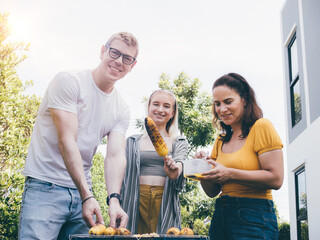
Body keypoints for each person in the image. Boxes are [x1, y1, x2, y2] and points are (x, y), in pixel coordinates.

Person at [18, 32, 139, 240]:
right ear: (103, 51)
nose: (119, 61)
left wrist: (114, 200)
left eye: (126, 58)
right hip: (45, 187)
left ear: (132, 65)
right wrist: (87, 195)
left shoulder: (121, 108)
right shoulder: (68, 82)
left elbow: (115, 156)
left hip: (83, 193)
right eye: (114, 52)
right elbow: (67, 141)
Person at [195, 73, 284, 240]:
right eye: (217, 104)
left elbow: (276, 179)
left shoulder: (261, 126)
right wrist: (202, 170)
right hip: (221, 215)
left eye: (228, 102)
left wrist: (230, 173)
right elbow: (212, 191)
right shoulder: (221, 140)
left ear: (244, 99)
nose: (222, 109)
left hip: (254, 216)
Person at [121, 89, 188, 234]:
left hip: (165, 200)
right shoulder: (132, 141)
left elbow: (180, 165)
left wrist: (175, 169)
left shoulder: (179, 142)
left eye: (166, 106)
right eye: (156, 104)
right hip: (135, 199)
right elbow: (121, 176)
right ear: (149, 108)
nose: (160, 109)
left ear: (173, 112)